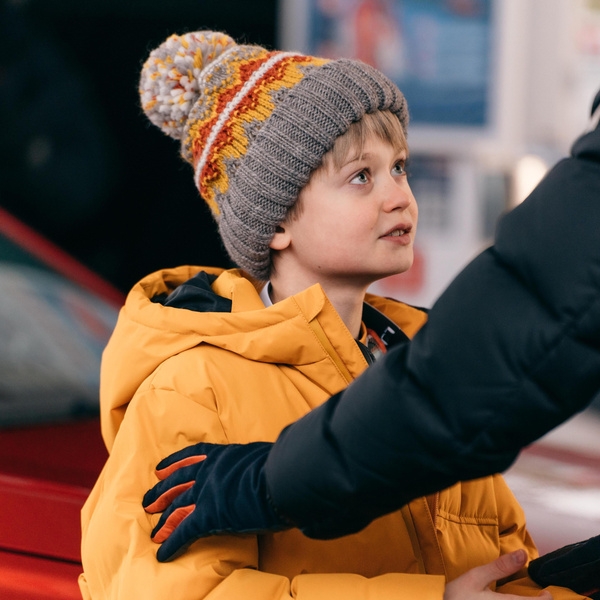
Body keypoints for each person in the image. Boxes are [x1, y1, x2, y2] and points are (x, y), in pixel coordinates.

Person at [80, 30, 585, 600]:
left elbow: (500, 562)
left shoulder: (418, 363)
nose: (399, 196)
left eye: (399, 167)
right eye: (361, 177)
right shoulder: (194, 387)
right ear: (276, 224)